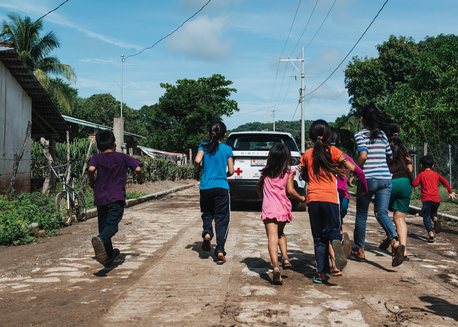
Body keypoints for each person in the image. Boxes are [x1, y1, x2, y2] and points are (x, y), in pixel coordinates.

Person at [300, 120, 357, 284]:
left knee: (318, 238)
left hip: (313, 199)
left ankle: (321, 274)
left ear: (311, 136)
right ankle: (336, 241)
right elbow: (351, 167)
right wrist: (340, 170)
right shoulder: (333, 151)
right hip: (331, 198)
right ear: (328, 135)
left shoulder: (307, 154)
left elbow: (303, 175)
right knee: (332, 229)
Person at [352, 104, 405, 267]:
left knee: (361, 215)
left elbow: (363, 155)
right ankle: (395, 242)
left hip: (367, 179)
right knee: (382, 213)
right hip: (385, 179)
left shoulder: (360, 134)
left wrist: (355, 170)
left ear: (362, 119)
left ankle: (360, 250)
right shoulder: (383, 135)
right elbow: (390, 156)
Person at [88, 130, 144, 266]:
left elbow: (91, 169)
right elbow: (137, 168)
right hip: (116, 198)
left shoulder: (97, 157)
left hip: (100, 197)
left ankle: (107, 256)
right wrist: (140, 179)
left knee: (103, 227)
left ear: (99, 146)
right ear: (114, 143)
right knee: (112, 227)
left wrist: (91, 182)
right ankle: (101, 239)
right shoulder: (122, 157)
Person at [256, 143, 306, 285]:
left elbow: (259, 185)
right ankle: (285, 258)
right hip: (282, 208)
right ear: (287, 158)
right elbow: (290, 191)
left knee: (272, 237)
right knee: (280, 234)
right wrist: (301, 197)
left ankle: (276, 267)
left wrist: (260, 194)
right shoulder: (289, 173)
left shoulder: (265, 172)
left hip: (269, 208)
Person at [328, 127, 367, 276]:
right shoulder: (341, 156)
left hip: (333, 194)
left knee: (333, 220)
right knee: (337, 219)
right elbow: (356, 169)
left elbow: (355, 168)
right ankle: (338, 236)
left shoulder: (327, 156)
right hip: (340, 195)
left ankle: (336, 241)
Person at [194, 121, 234, 264]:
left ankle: (207, 233)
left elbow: (197, 159)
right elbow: (231, 171)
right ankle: (220, 250)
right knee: (222, 219)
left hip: (205, 187)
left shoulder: (203, 147)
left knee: (207, 212)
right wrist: (224, 176)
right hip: (221, 187)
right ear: (224, 134)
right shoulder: (227, 149)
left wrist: (198, 170)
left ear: (209, 133)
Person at [378, 124, 415, 259]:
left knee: (379, 212)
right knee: (400, 218)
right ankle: (403, 250)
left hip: (390, 181)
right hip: (405, 182)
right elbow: (410, 166)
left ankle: (391, 235)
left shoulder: (385, 147)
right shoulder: (404, 148)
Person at [412, 155, 457, 243]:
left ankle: (430, 233)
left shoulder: (421, 175)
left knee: (426, 217)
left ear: (421, 165)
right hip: (436, 200)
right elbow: (445, 182)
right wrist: (450, 191)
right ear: (433, 166)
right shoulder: (436, 174)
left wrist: (410, 179)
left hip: (426, 200)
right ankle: (436, 220)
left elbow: (414, 184)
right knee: (434, 213)